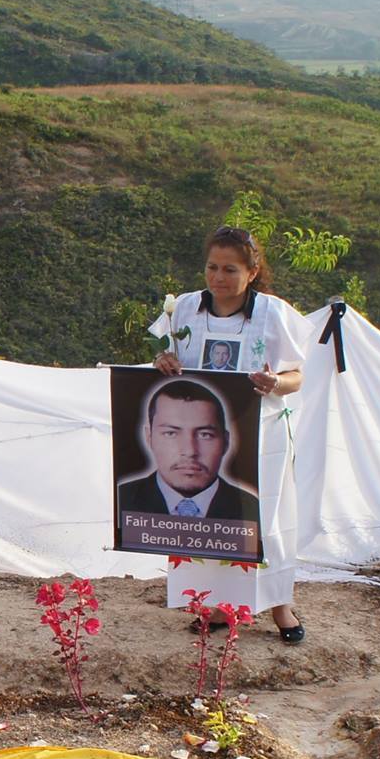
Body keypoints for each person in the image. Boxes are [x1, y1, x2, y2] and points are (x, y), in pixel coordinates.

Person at [150, 225, 311, 643]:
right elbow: (166, 359)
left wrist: (276, 383)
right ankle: (218, 605)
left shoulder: (274, 314)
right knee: (210, 515)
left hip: (261, 434)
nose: (218, 278)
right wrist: (163, 360)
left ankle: (280, 607)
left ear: (252, 272)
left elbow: (298, 376)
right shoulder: (184, 309)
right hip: (203, 437)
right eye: (212, 268)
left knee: (264, 518)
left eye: (230, 270)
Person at [118, 380, 259, 521]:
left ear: (226, 441)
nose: (190, 451)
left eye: (205, 435)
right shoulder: (119, 500)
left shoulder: (252, 509)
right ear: (149, 438)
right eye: (171, 433)